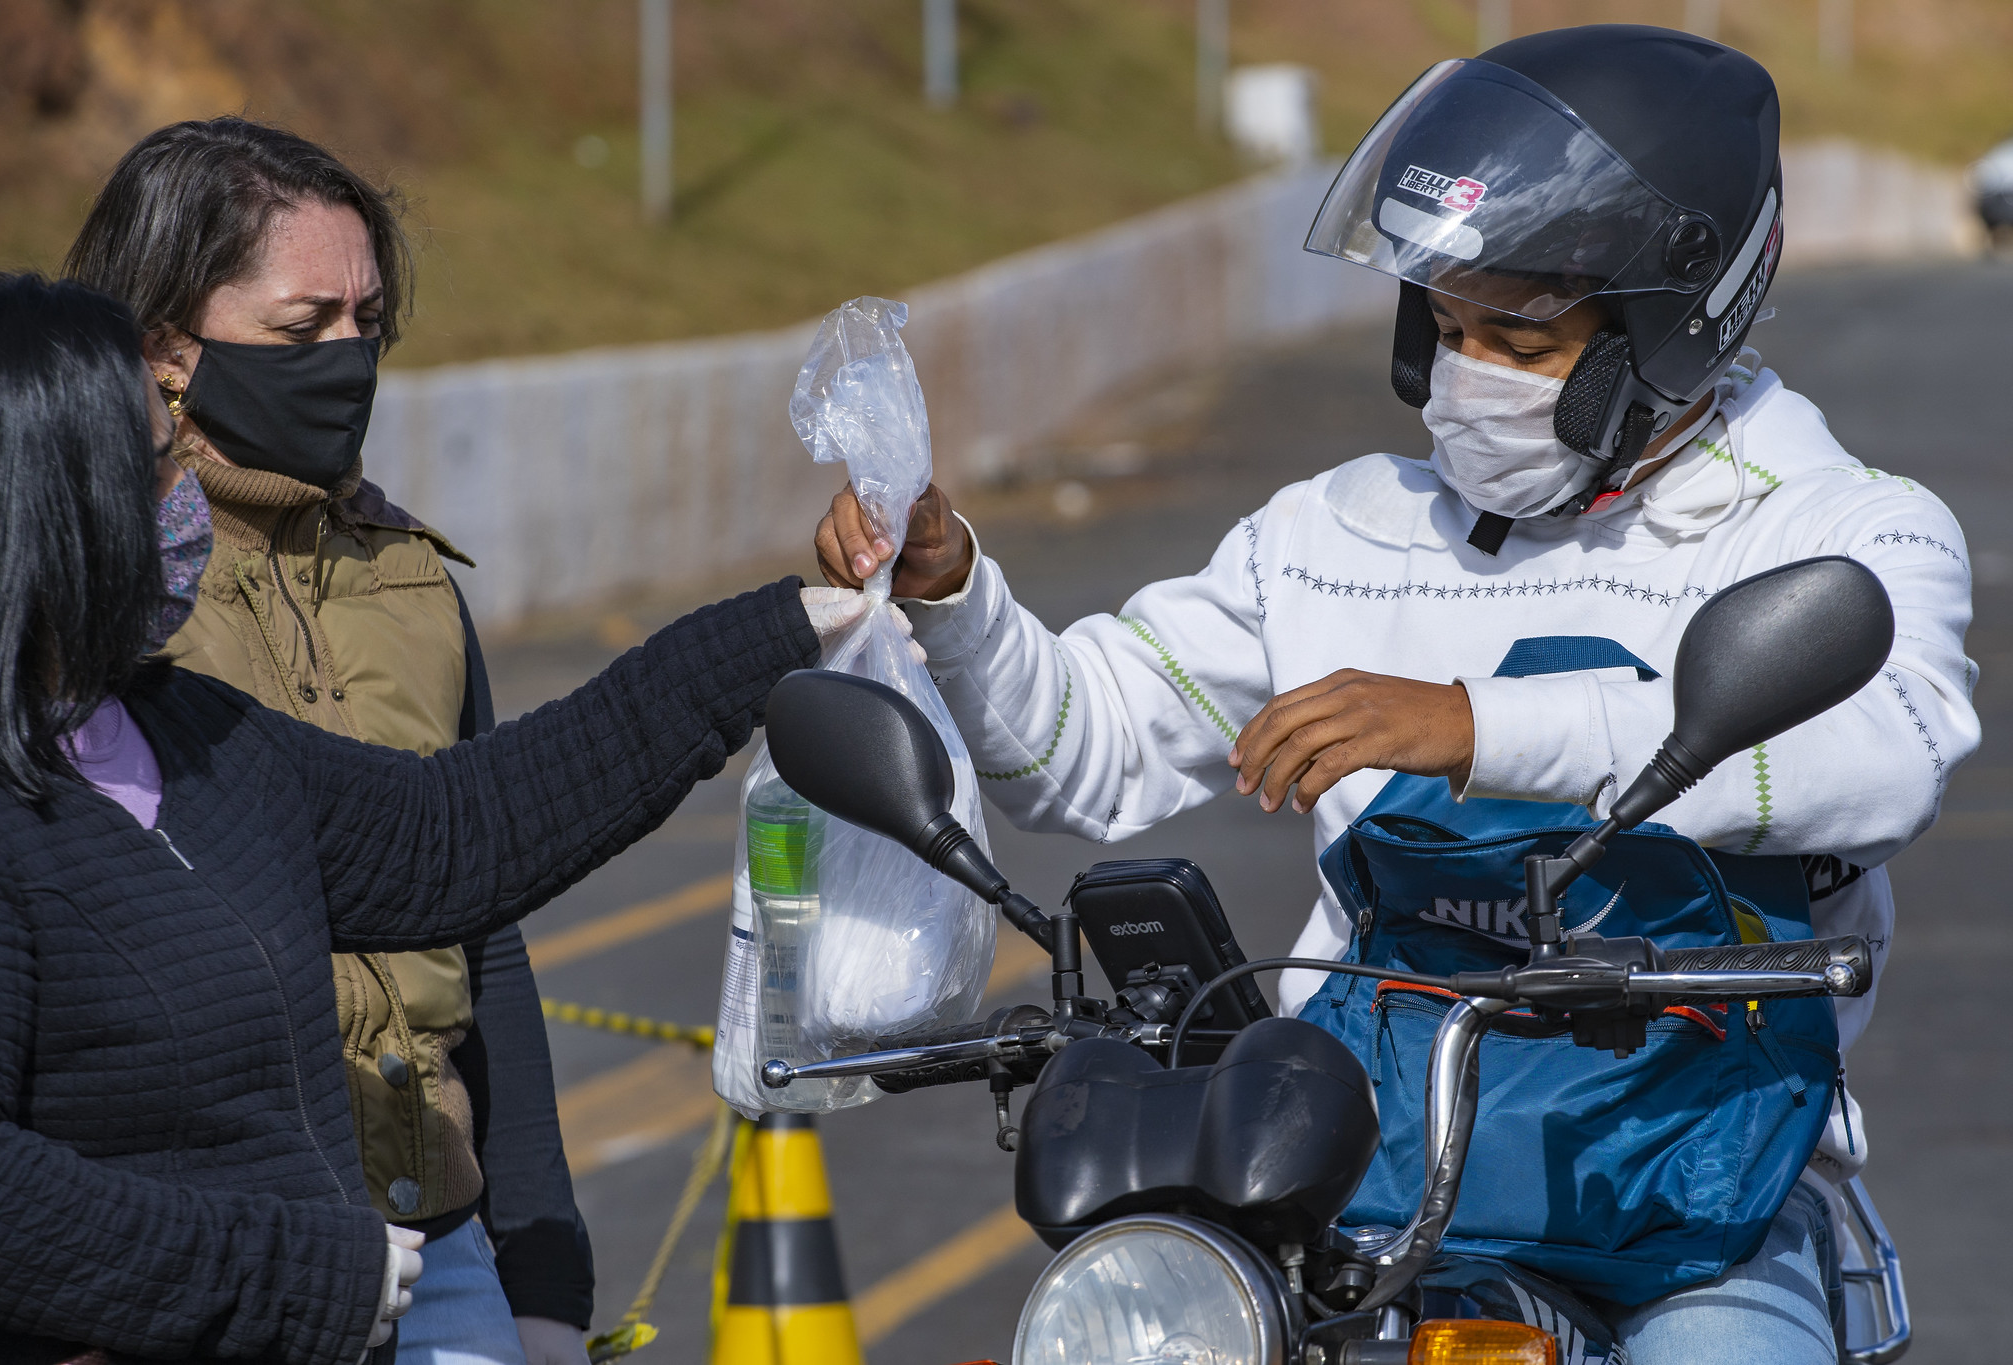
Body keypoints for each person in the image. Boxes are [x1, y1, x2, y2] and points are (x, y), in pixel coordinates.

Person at [815, 26, 1976, 1364]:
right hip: (1366, 1180)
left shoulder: (1840, 532)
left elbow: (1886, 750)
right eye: (1448, 322)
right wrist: (955, 590)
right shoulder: (1337, 532)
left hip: (1696, 1196)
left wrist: (1479, 725)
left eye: (1522, 337)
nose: (1467, 370)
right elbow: (1080, 749)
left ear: (1670, 323)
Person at [0, 270, 885, 1365]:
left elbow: (456, 833)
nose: (183, 487)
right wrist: (299, 1274)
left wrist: (778, 632)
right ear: (50, 496)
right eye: (155, 458)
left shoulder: (180, 728)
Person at [62, 117, 578, 1365]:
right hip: (204, 1266)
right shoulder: (88, 594)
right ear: (166, 348)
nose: (347, 358)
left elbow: (483, 929)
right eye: (303, 330)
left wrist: (546, 1276)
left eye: (370, 322)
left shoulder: (410, 580)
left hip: (440, 1246)